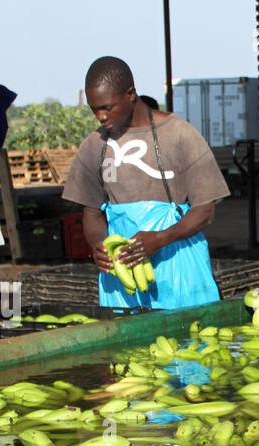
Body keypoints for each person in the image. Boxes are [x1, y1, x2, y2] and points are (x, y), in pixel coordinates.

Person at [62, 57, 229, 310]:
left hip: (179, 269)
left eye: (107, 107)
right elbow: (92, 212)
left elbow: (205, 210)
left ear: (130, 94)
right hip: (123, 276)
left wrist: (160, 239)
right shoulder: (94, 146)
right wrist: (99, 244)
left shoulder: (180, 135)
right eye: (94, 109)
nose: (100, 116)